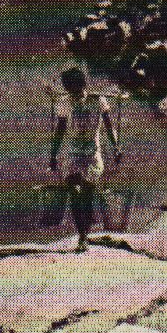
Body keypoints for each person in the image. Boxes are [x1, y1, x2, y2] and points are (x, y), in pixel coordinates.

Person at [50, 55, 120, 252]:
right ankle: (82, 235)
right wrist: (54, 155)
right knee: (74, 191)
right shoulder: (64, 103)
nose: (74, 94)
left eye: (76, 90)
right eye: (69, 91)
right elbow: (60, 130)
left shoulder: (99, 100)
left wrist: (116, 147)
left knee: (87, 193)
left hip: (92, 151)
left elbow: (108, 125)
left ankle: (84, 235)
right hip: (72, 153)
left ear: (83, 86)